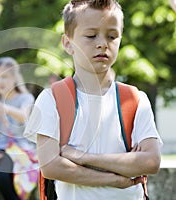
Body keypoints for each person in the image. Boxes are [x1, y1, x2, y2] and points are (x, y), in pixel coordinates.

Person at [24, 0, 162, 200]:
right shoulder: (51, 99)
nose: (102, 44)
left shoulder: (135, 99)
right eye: (91, 35)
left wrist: (80, 157)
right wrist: (115, 178)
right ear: (67, 44)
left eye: (112, 36)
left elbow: (150, 162)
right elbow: (51, 167)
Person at [0, 57, 38, 200]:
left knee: (1, 177)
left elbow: (24, 116)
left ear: (15, 78)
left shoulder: (25, 98)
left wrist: (6, 109)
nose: (0, 81)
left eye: (4, 77)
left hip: (18, 148)